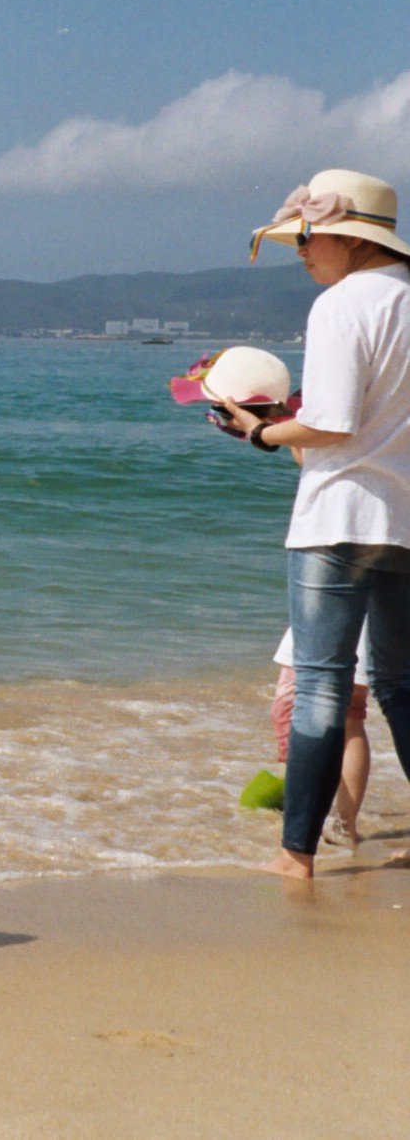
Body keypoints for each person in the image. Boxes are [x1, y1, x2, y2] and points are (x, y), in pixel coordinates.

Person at [220, 169, 410, 878]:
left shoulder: (340, 306)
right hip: (405, 518)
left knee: (321, 686)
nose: (298, 249)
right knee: (398, 683)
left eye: (305, 235)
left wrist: (257, 433)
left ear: (344, 235)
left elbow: (328, 423)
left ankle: (295, 852)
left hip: (336, 519)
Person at [268, 627, 369, 845]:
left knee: (293, 710)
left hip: (331, 620)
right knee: (349, 717)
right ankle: (336, 821)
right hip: (359, 622)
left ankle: (314, 820)